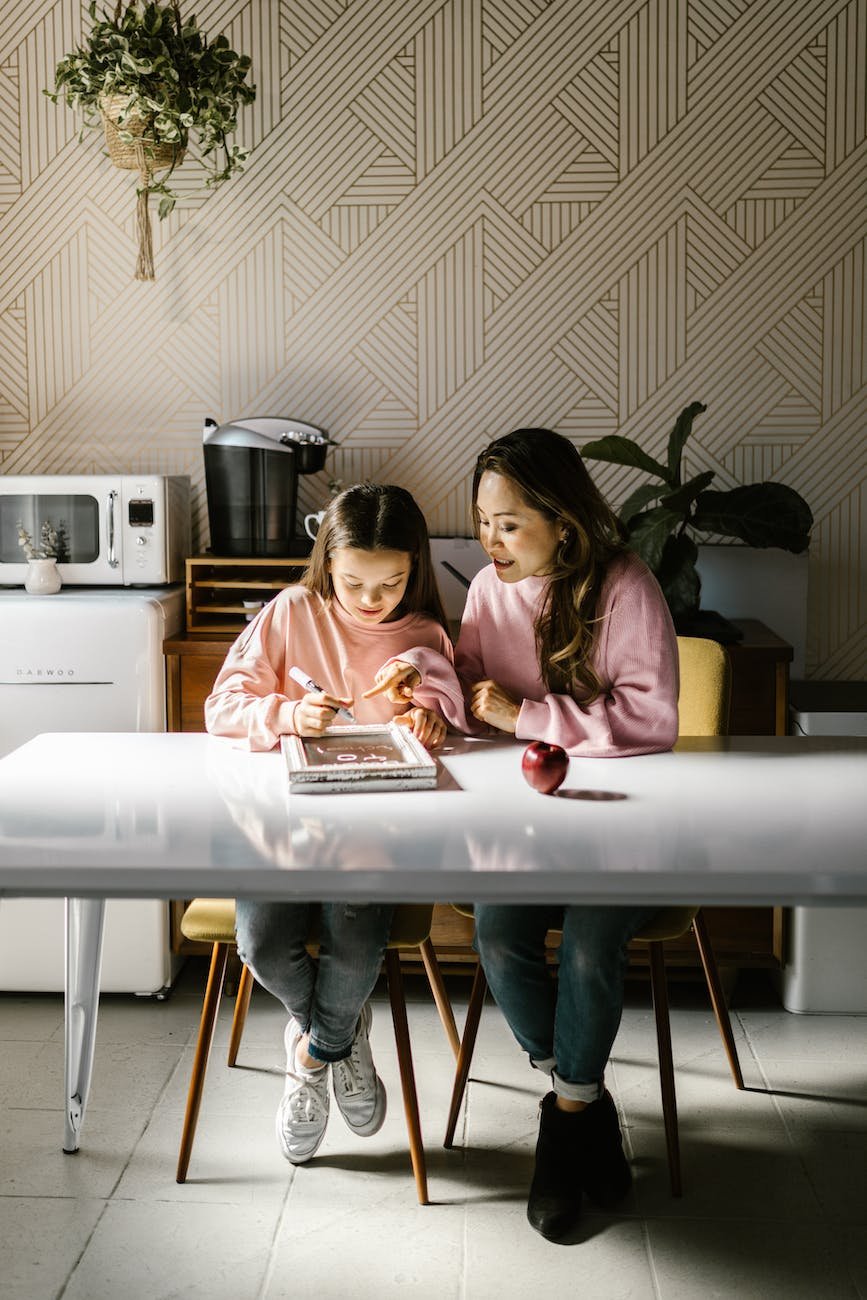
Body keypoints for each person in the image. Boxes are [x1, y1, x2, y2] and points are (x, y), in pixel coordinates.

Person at [366, 428, 679, 1241]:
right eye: (480, 520)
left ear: (563, 523)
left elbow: (650, 718)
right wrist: (424, 686)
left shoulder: (624, 585)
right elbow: (468, 691)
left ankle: (560, 1134)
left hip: (625, 822)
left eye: (507, 523)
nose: (487, 541)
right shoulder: (488, 594)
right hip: (522, 820)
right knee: (499, 936)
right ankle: (582, 1102)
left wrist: (527, 715)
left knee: (584, 946)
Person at [204, 483, 452, 1167]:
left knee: (356, 939)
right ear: (326, 565)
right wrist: (287, 714)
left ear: (415, 569)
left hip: (371, 835)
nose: (371, 600)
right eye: (353, 583)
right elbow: (222, 705)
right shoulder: (291, 612)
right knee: (258, 944)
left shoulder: (423, 633)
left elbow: (444, 705)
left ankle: (312, 1056)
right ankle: (338, 1034)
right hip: (275, 829)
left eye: (391, 583)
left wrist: (425, 716)